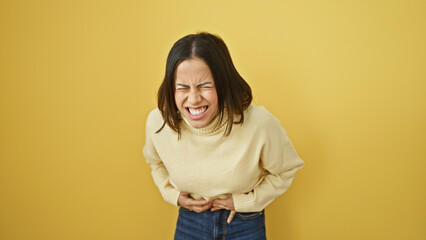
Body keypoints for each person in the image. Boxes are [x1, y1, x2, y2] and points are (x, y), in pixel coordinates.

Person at [143, 32, 304, 240]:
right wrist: (172, 195)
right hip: (190, 220)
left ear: (223, 83)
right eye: (182, 87)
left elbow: (286, 170)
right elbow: (154, 163)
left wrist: (248, 202)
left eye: (204, 85)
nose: (193, 98)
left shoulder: (260, 123)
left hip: (244, 222)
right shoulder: (158, 123)